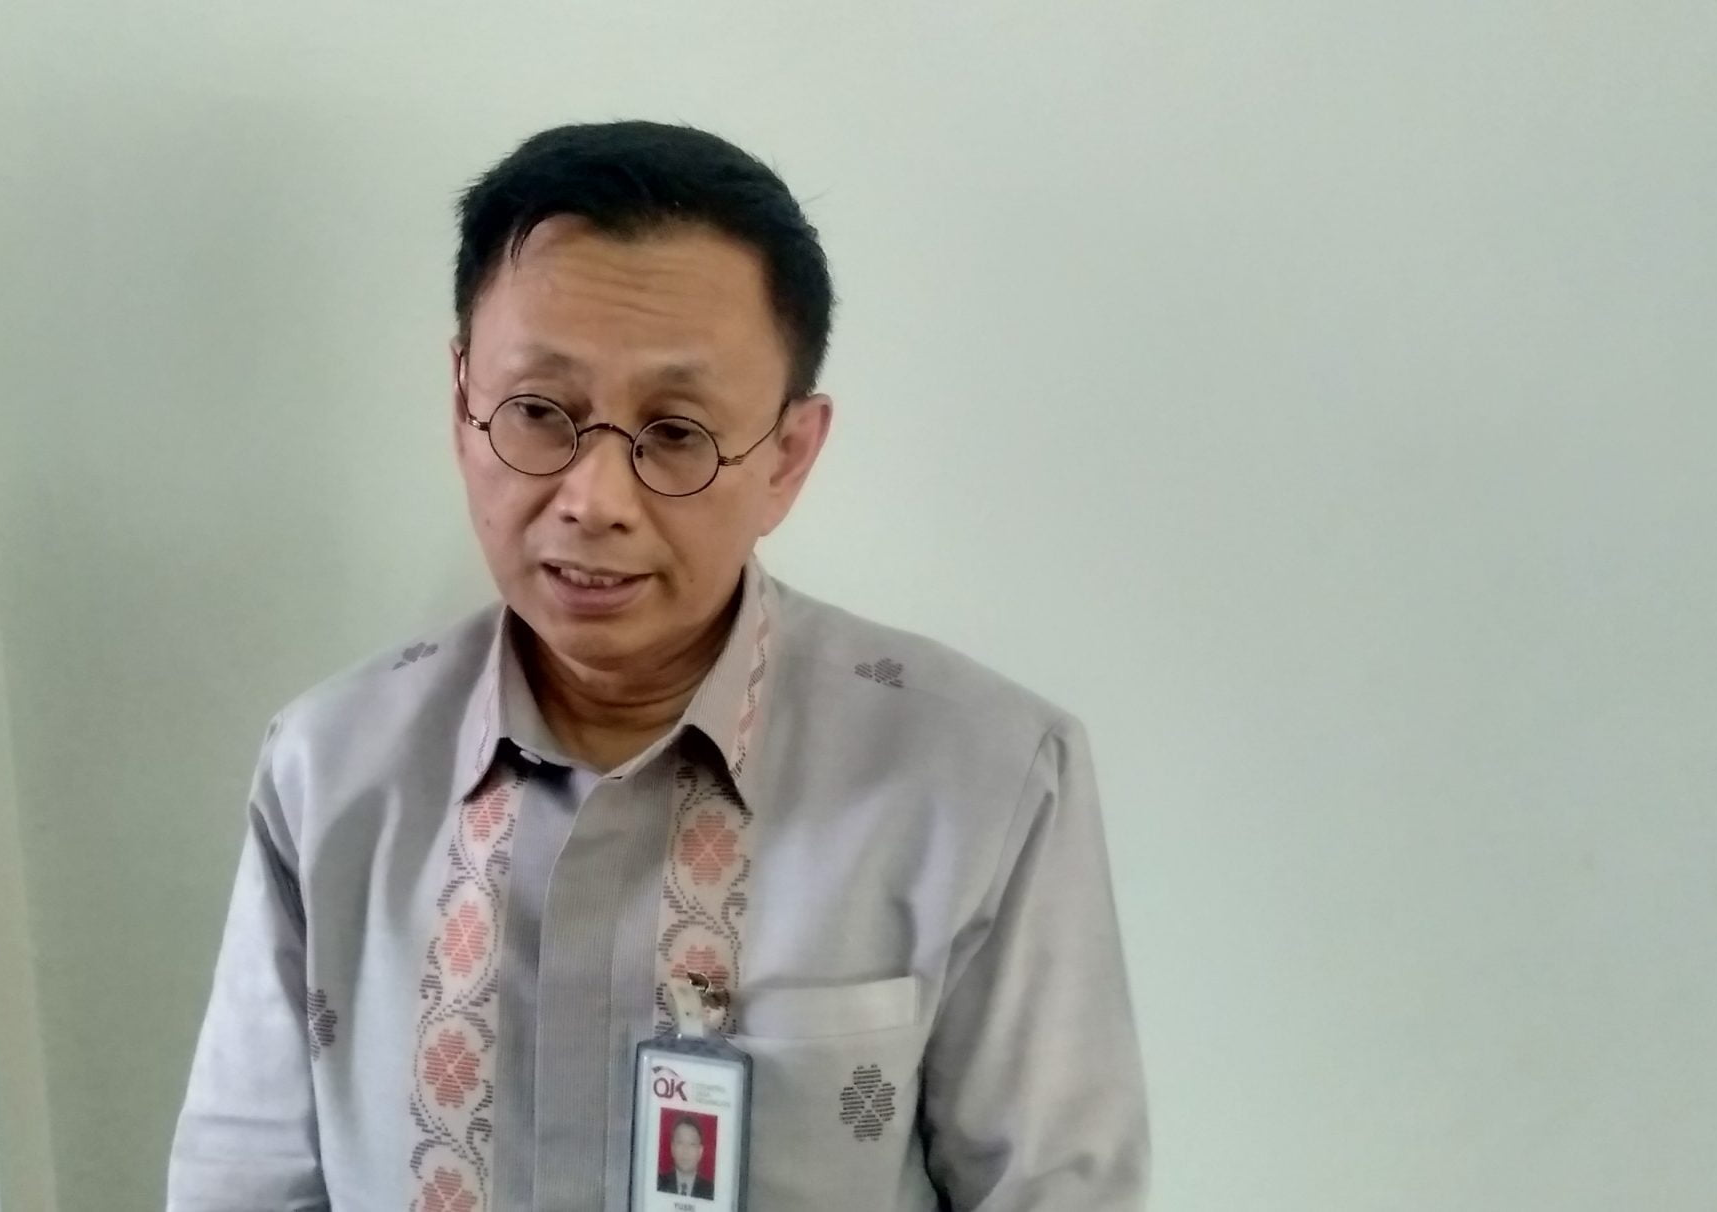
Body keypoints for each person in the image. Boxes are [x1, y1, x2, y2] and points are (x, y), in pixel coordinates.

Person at [167, 120, 1148, 1211]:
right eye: (539, 413)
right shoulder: (329, 768)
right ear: (461, 405)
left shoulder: (983, 778)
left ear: (788, 458)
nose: (594, 500)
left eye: (676, 432)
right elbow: (240, 1185)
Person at [658, 1114, 712, 1200]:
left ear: (700, 1152)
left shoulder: (712, 1191)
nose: (685, 1150)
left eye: (692, 1144)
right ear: (672, 1148)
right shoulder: (658, 1184)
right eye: (680, 1143)